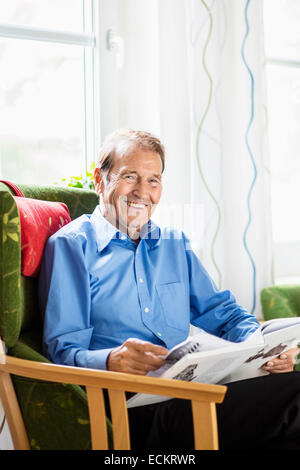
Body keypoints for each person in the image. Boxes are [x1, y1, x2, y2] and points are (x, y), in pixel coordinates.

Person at [38, 128, 300, 450]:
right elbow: (61, 350)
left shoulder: (174, 244)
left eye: (153, 180)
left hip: (193, 391)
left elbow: (222, 313)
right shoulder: (71, 247)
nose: (142, 192)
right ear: (100, 180)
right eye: (130, 177)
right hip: (130, 410)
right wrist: (110, 360)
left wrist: (264, 348)